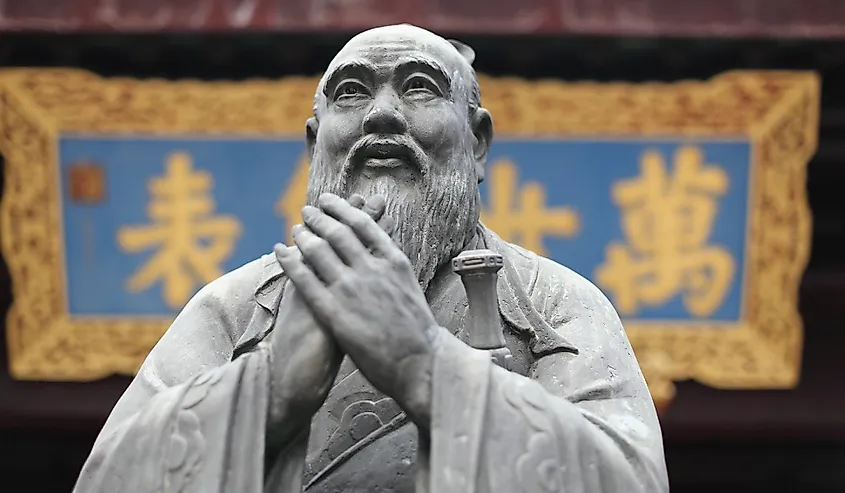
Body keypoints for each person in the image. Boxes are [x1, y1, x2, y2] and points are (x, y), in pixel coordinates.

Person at [74, 24, 668, 493]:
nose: (381, 114)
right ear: (314, 143)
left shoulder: (553, 303)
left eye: (419, 87)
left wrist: (426, 367)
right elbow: (109, 479)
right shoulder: (236, 310)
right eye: (351, 92)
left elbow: (626, 479)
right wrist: (271, 393)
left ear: (478, 140)